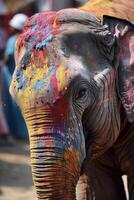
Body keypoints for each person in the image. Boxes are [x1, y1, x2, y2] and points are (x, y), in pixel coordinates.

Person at [3, 13, 28, 139]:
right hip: (22, 78)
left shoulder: (13, 40)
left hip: (10, 77)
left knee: (11, 105)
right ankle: (23, 132)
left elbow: (8, 57)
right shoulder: (26, 40)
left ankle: (15, 132)